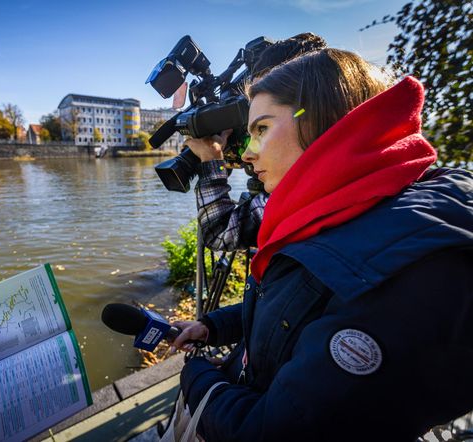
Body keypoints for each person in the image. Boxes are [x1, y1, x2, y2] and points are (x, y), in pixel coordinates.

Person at [172, 48, 473, 441]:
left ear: (320, 122)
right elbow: (296, 306)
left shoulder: (403, 270)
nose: (246, 154)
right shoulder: (348, 206)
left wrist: (195, 374)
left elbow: (271, 431)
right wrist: (214, 325)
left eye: (261, 129)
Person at [196, 32, 327, 253]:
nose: (248, 153)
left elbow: (221, 232)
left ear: (311, 108)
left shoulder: (305, 197)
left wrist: (212, 161)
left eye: (262, 128)